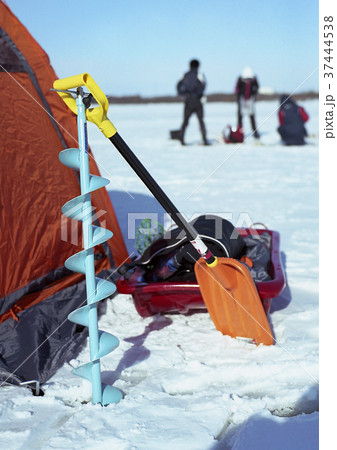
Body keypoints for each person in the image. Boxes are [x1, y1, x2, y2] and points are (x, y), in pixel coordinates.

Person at [176, 59, 209, 145]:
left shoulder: (184, 75)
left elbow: (178, 85)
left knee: (185, 121)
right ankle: (205, 140)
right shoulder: (200, 75)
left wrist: (183, 94)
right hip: (198, 101)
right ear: (198, 66)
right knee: (201, 121)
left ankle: (181, 139)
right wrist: (198, 94)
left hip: (188, 101)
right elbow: (203, 86)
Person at [235, 67, 260, 139]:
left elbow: (257, 87)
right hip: (242, 100)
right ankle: (239, 134)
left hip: (250, 100)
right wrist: (239, 98)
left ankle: (255, 133)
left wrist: (253, 94)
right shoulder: (240, 80)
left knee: (252, 117)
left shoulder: (254, 80)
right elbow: (237, 89)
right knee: (240, 118)